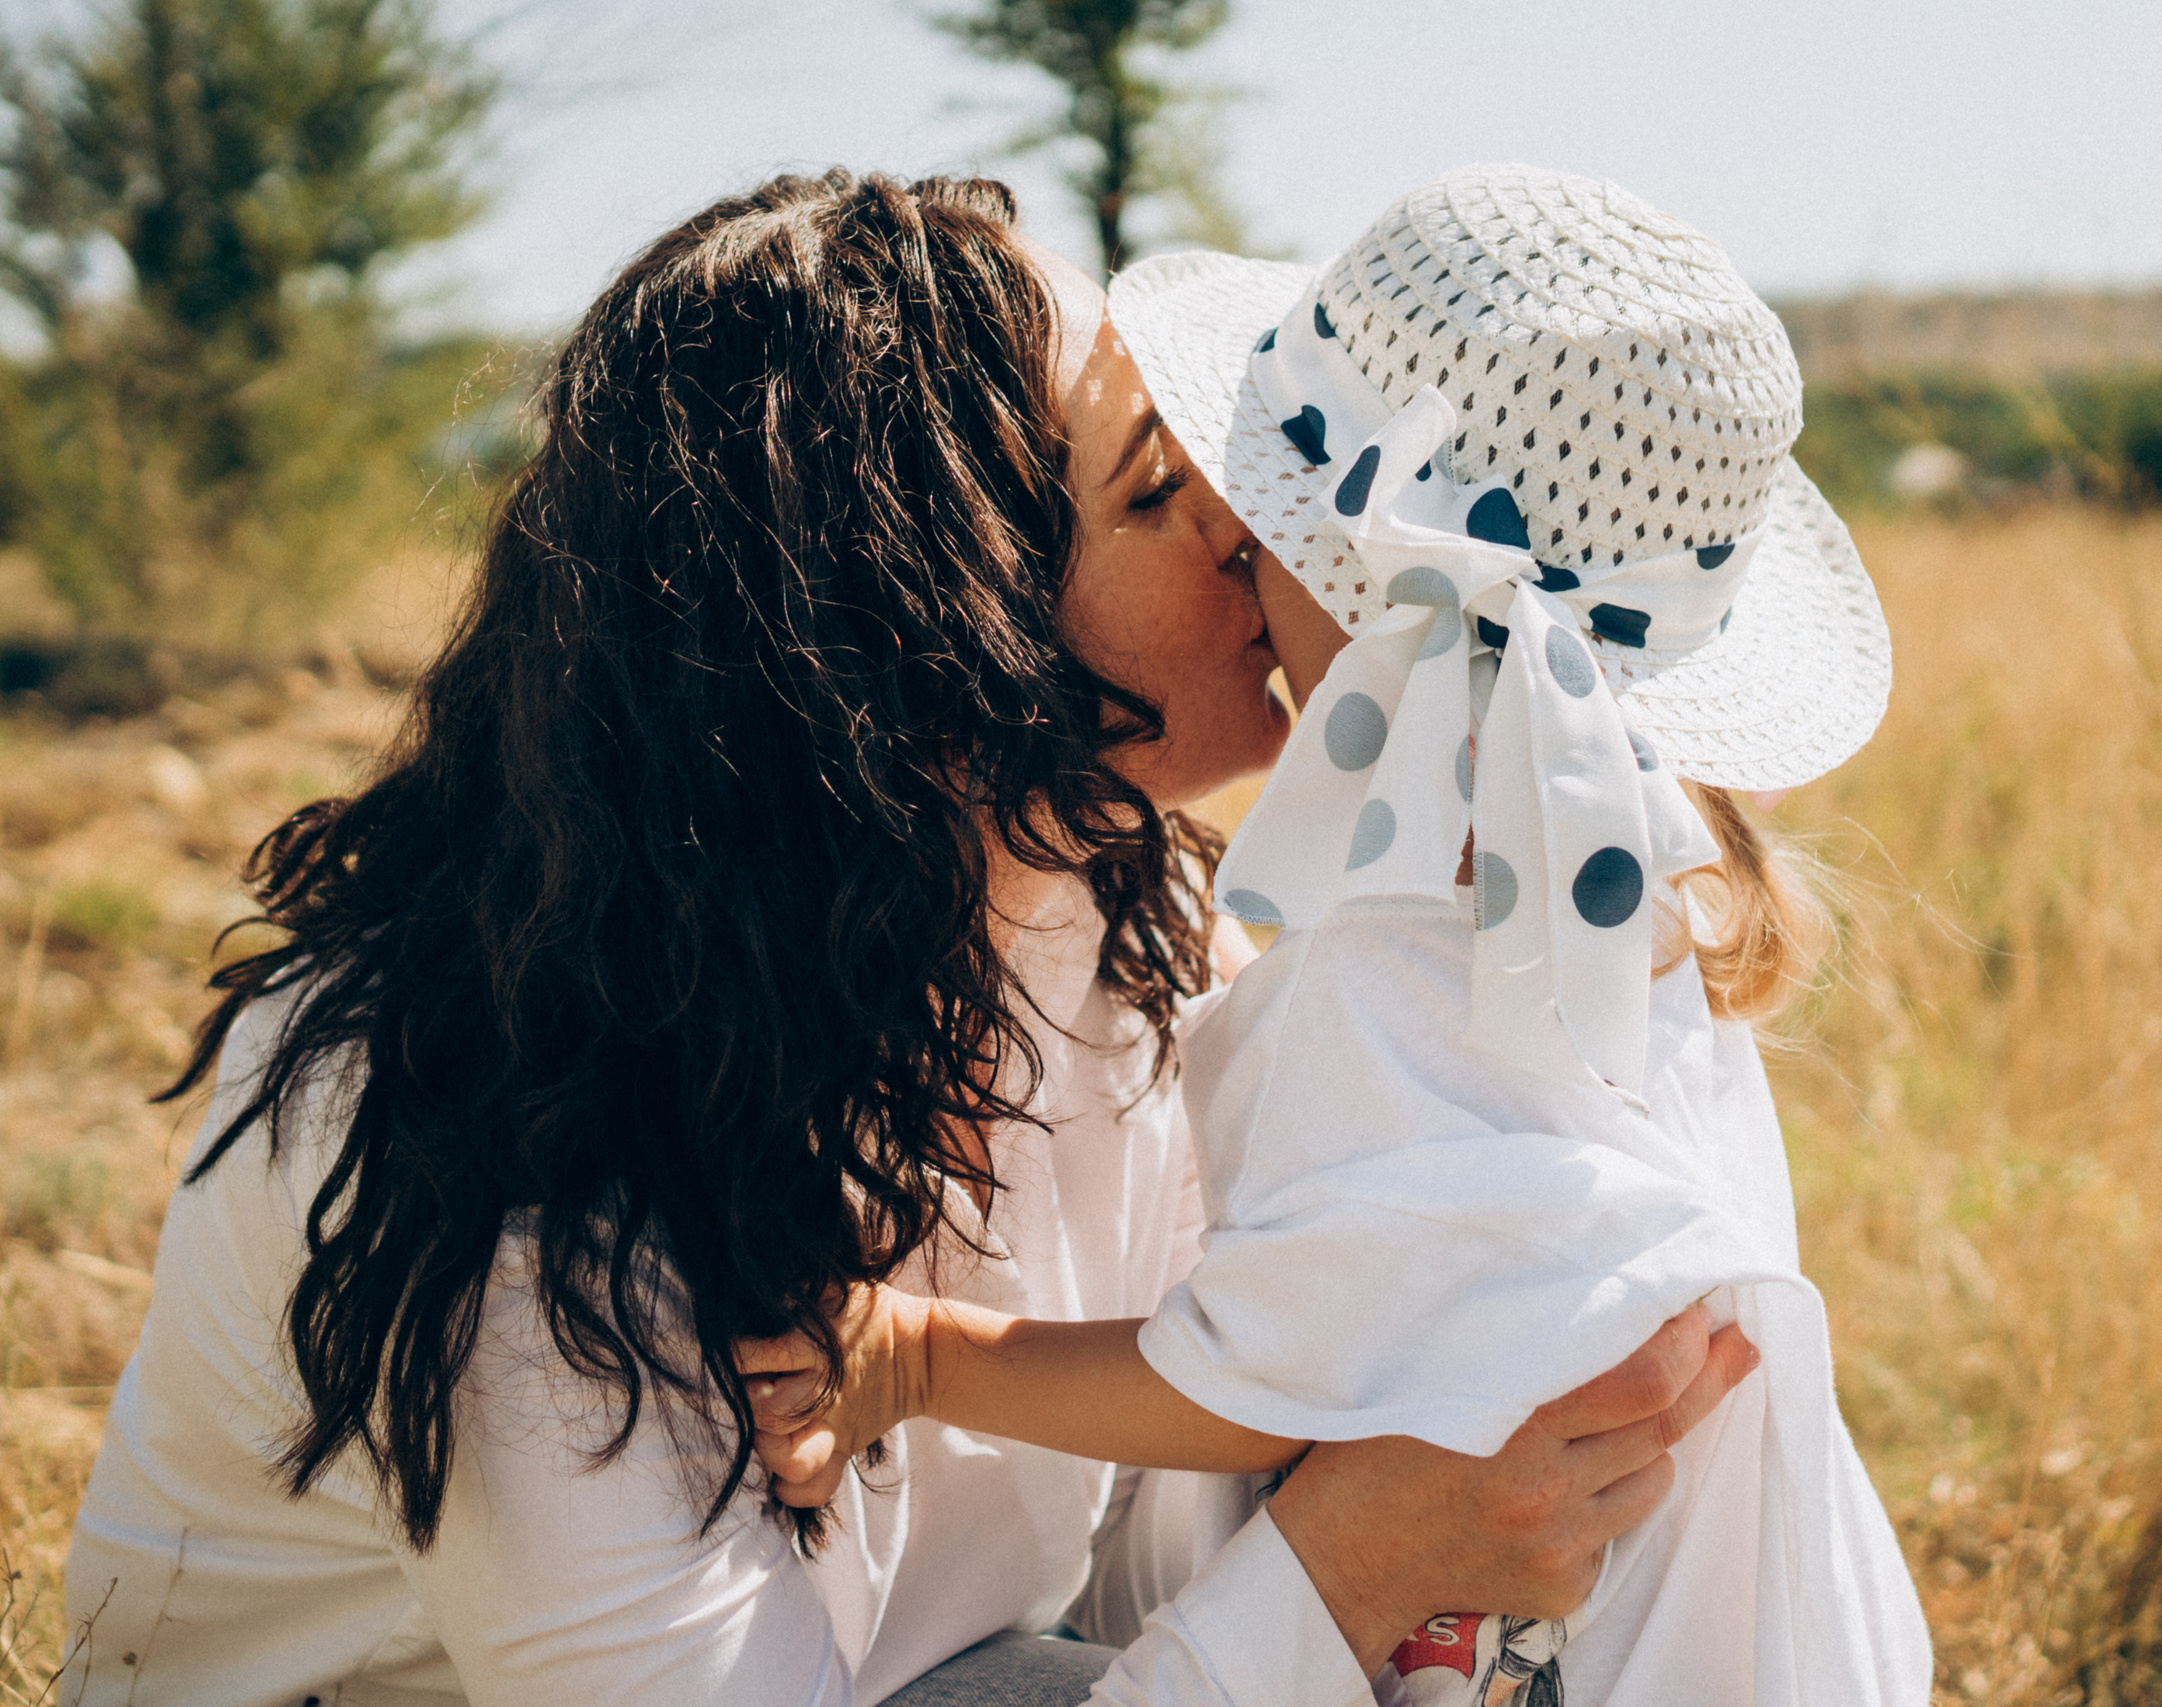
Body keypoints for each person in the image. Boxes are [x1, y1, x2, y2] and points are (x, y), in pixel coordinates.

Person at [60, 169, 1749, 1707]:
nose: (1254, 526)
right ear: (919, 622)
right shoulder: (505, 1144)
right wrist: (1354, 1572)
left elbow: (1147, 1551)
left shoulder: (1126, 920)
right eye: (1162, 488)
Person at [756, 166, 1934, 1704]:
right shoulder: (1630, 877)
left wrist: (918, 1356)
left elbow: (1250, 1377)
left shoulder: (1376, 978)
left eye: (1260, 538)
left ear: (1373, 607)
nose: (1234, 553)